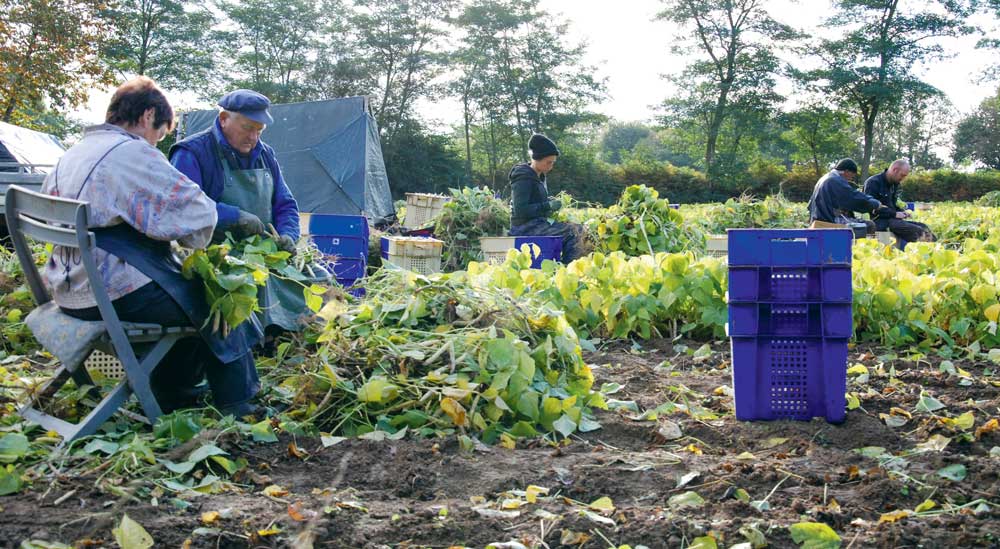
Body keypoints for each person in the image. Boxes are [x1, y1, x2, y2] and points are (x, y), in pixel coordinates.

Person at [41, 77, 261, 417]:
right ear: (147, 117)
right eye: (158, 135)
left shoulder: (74, 153)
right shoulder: (131, 153)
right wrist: (235, 219)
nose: (156, 144)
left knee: (179, 292)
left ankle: (173, 392)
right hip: (113, 294)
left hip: (67, 290)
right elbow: (193, 210)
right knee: (222, 299)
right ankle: (239, 404)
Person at [169, 90, 311, 332]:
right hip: (217, 258)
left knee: (316, 278)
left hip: (264, 253)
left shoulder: (265, 155)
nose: (253, 137)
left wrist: (288, 234)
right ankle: (261, 353)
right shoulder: (192, 153)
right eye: (247, 128)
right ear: (224, 118)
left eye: (259, 130)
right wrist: (234, 217)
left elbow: (285, 204)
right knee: (255, 286)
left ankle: (298, 349)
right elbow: (182, 207)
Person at [508, 133, 585, 263]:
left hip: (537, 222)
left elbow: (536, 202)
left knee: (577, 228)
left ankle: (565, 265)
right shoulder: (523, 177)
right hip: (524, 227)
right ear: (537, 159)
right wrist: (547, 206)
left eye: (553, 163)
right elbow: (520, 209)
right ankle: (570, 270)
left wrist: (549, 205)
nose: (551, 166)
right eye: (548, 162)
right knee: (574, 232)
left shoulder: (539, 176)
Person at [863, 158, 936, 245]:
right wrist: (894, 214)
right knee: (918, 231)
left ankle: (937, 248)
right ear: (895, 170)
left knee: (924, 227)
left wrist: (902, 212)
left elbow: (892, 205)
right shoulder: (873, 182)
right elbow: (871, 207)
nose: (903, 178)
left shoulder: (893, 184)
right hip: (879, 221)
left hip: (893, 220)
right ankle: (927, 251)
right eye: (902, 175)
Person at [807, 158, 887, 235]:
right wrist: (875, 204)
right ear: (847, 171)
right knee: (869, 225)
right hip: (828, 221)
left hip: (817, 219)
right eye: (851, 176)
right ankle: (857, 248)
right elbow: (854, 198)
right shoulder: (835, 180)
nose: (850, 180)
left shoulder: (824, 179)